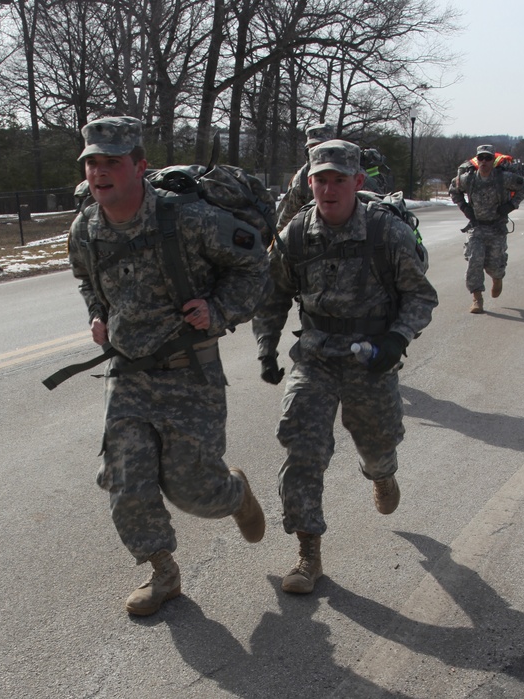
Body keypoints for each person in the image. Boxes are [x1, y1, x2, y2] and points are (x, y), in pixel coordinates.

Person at [67, 116, 270, 616]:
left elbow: (254, 263)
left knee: (195, 491)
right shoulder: (86, 227)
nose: (100, 172)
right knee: (125, 480)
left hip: (189, 371)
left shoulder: (189, 219)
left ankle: (235, 493)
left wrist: (218, 312)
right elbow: (85, 278)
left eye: (112, 162)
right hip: (128, 374)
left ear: (140, 165)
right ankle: (163, 573)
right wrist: (97, 312)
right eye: (92, 163)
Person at [252, 139, 437, 595]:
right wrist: (266, 347)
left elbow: (420, 295)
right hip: (315, 354)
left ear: (357, 182)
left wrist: (397, 339)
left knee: (378, 440)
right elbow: (272, 296)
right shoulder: (296, 234)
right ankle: (307, 552)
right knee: (302, 446)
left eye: (339, 179)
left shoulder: (384, 233)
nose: (329, 189)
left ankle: (381, 472)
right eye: (321, 179)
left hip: (371, 357)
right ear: (308, 182)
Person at [449, 144, 524, 314]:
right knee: (474, 260)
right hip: (477, 227)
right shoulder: (469, 179)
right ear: (477, 160)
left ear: (493, 160)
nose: (484, 161)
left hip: (497, 227)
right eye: (481, 158)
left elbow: (523, 186)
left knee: (494, 265)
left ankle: (497, 278)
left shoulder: (503, 178)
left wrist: (511, 205)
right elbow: (453, 189)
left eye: (488, 158)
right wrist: (464, 206)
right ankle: (477, 298)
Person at [275, 123, 336, 230]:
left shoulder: (350, 171)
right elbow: (287, 217)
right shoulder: (302, 177)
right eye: (312, 149)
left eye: (322, 148)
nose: (318, 154)